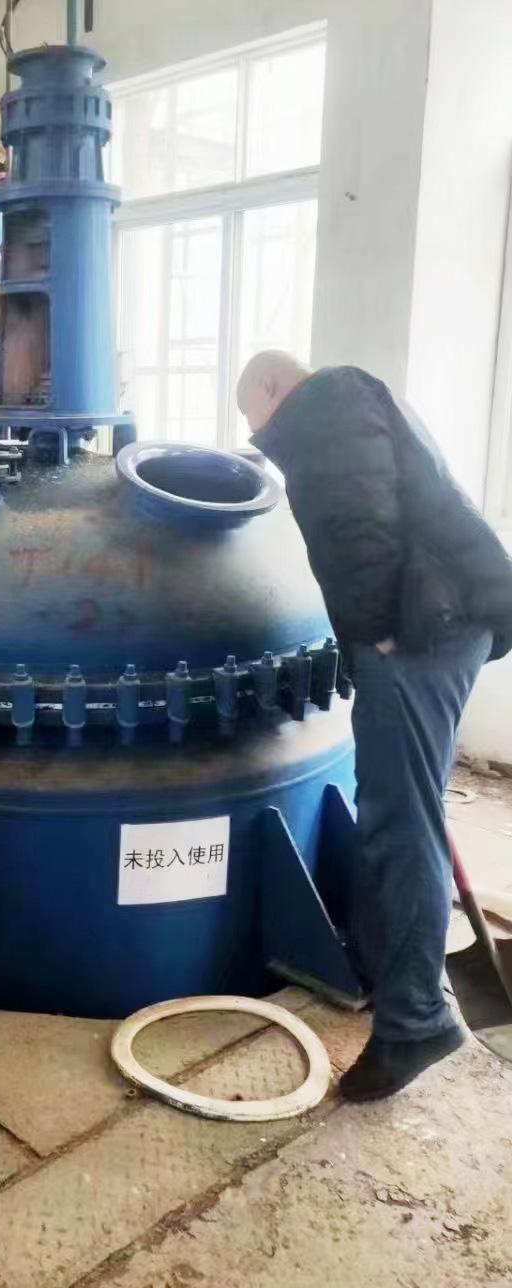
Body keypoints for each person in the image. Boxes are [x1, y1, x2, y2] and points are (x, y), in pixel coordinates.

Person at [237, 351, 512, 1101]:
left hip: (420, 629)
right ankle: (386, 966)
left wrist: (377, 632)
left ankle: (416, 1021)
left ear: (270, 388)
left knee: (401, 825)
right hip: (449, 617)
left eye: (253, 418)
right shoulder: (356, 399)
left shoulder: (324, 408)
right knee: (406, 810)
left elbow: (356, 524)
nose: (259, 435)